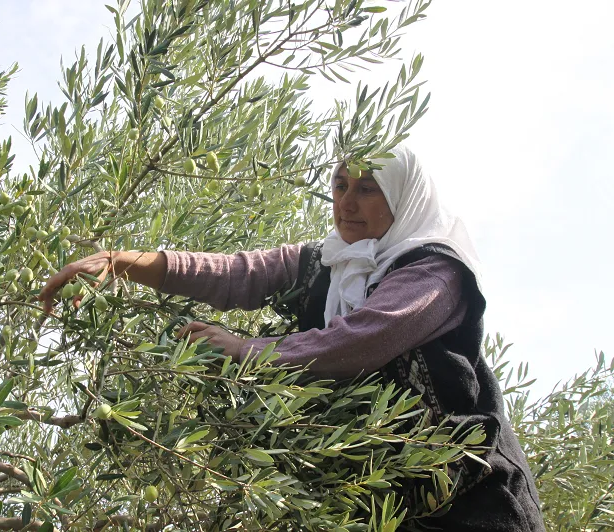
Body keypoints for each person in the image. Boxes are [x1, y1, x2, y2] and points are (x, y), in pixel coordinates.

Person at [40, 145, 545, 531]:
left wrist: (247, 351)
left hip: (472, 500)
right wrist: (121, 263)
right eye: (340, 185)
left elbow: (359, 341)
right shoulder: (328, 261)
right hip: (381, 503)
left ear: (403, 195)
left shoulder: (435, 270)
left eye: (368, 188)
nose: (347, 202)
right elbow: (235, 274)